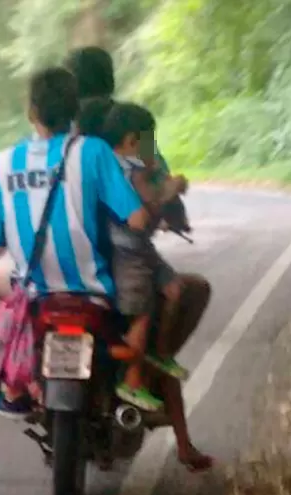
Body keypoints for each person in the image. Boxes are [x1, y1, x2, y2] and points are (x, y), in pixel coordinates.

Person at [0, 66, 154, 453]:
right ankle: (131, 383)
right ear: (73, 111)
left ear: (31, 112)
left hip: (34, 288)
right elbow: (137, 219)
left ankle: (14, 383)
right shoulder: (93, 151)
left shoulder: (3, 163)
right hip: (92, 288)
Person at [63, 45, 213, 472]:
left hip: (68, 259)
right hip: (126, 253)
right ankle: (149, 371)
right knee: (181, 296)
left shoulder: (60, 132)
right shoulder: (132, 125)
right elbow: (157, 177)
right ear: (110, 80)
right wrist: (174, 209)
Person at [78, 99, 191, 411]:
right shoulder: (122, 169)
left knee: (174, 289)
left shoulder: (132, 164)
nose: (153, 148)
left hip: (143, 250)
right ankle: (132, 379)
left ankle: (159, 352)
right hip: (127, 254)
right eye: (149, 141)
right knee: (140, 314)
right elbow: (143, 206)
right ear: (131, 140)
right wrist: (170, 189)